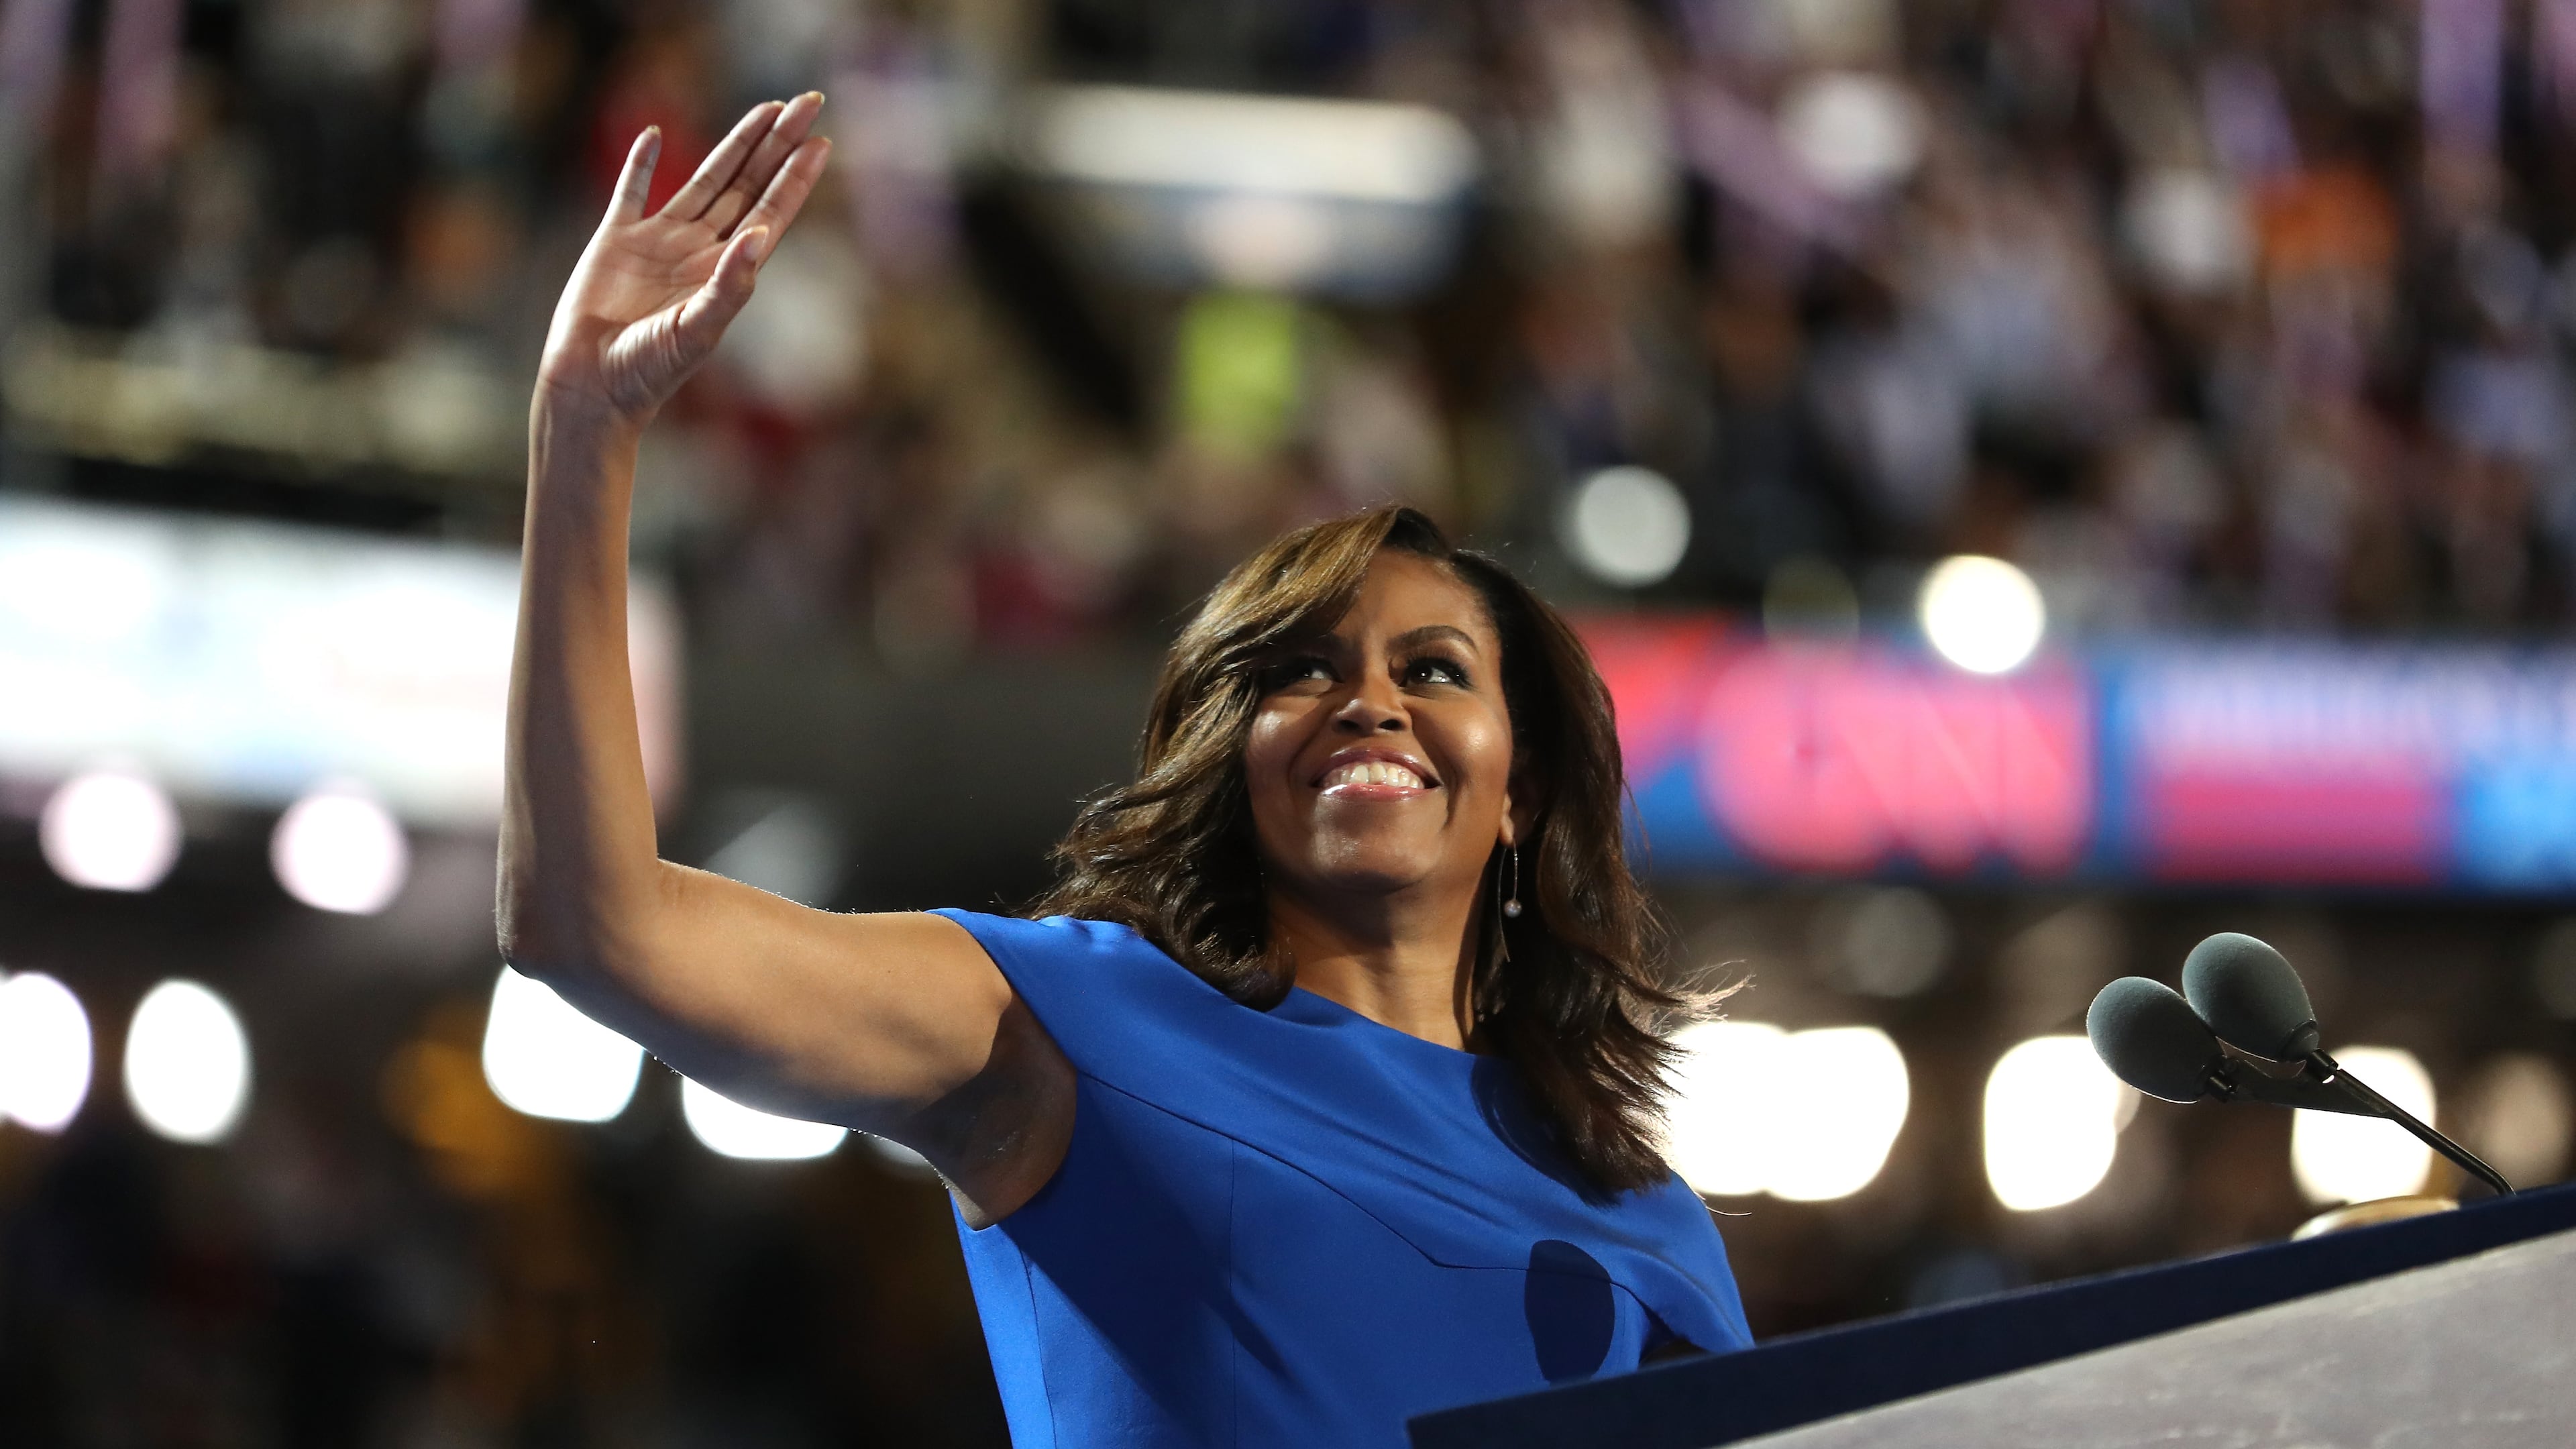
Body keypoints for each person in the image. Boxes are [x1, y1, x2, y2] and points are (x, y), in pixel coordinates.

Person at [500, 94, 1751, 1449]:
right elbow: (597, 927)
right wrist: (585, 434)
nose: (1372, 704)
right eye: (1303, 671)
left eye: (1436, 670)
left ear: (1519, 792)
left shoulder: (1641, 1214)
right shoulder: (1065, 1027)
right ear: (1236, 765)